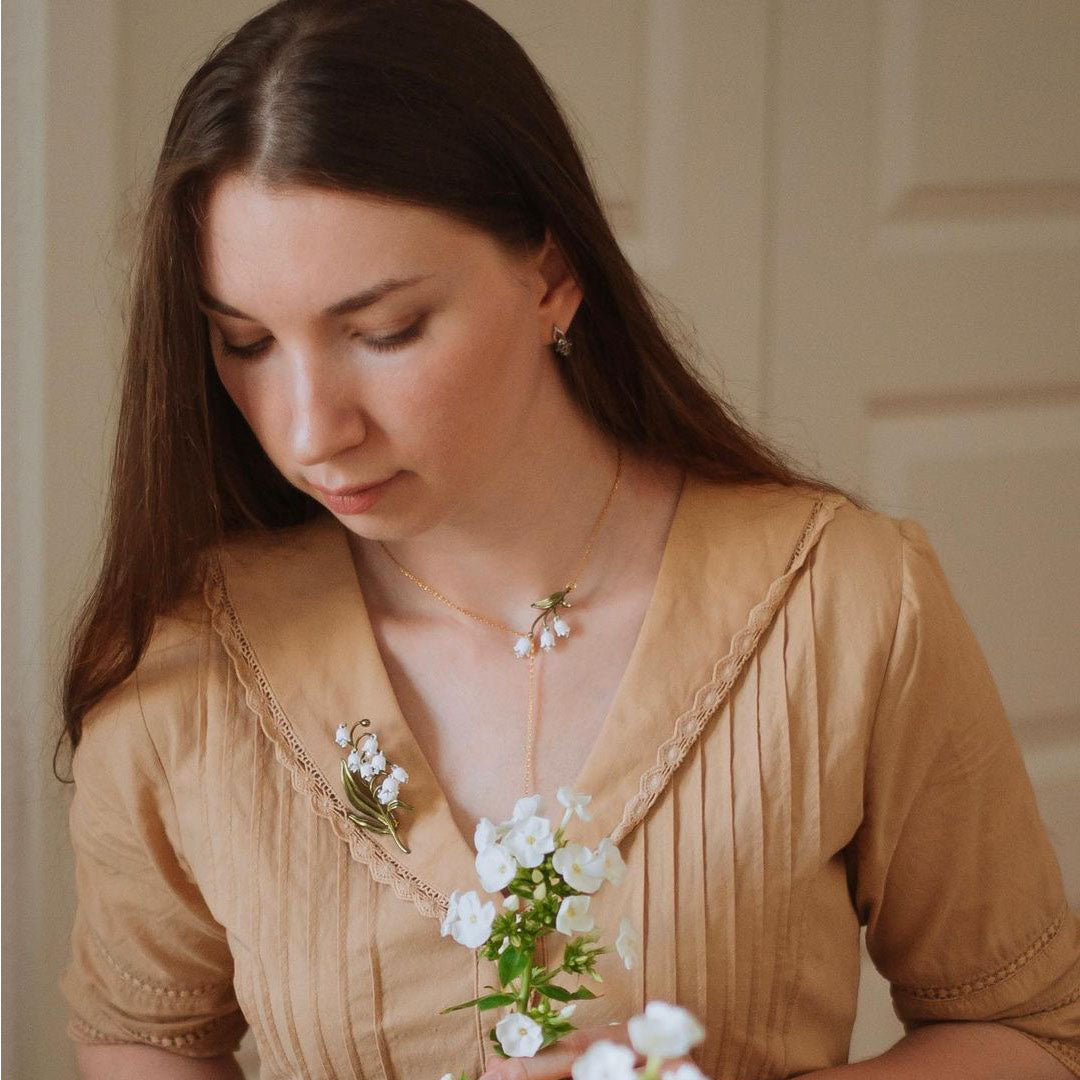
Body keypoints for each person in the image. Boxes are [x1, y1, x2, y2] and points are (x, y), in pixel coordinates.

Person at [57, 2, 1079, 1078]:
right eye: (247, 342)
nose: (311, 430)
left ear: (550, 273)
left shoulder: (849, 603)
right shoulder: (181, 664)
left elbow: (1032, 1031)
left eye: (384, 331)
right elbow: (141, 1036)